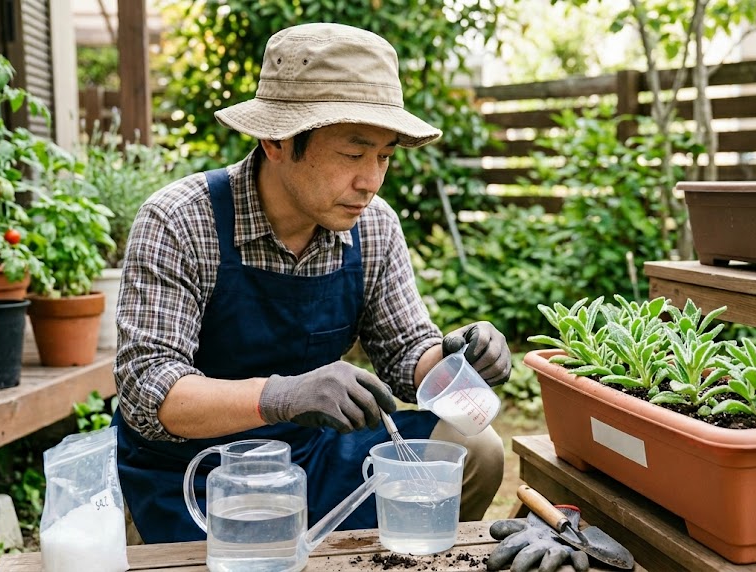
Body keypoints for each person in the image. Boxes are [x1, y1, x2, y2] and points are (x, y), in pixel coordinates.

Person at [112, 22, 511, 544]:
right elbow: (148, 390)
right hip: (193, 474)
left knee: (475, 448)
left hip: (314, 455)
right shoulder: (181, 221)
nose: (371, 180)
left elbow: (404, 353)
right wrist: (282, 395)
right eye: (353, 153)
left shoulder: (374, 224)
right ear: (276, 141)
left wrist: (457, 359)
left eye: (385, 156)